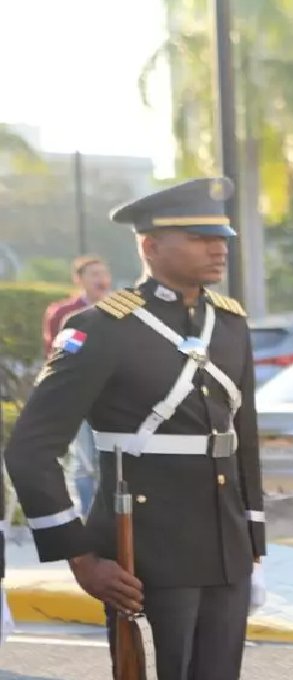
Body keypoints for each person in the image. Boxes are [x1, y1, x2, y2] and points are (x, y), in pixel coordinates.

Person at [4, 177, 266, 680]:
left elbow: (243, 439)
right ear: (149, 245)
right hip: (144, 548)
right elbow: (30, 450)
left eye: (221, 238)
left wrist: (252, 542)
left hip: (225, 546)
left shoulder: (230, 323)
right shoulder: (101, 328)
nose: (217, 249)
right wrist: (79, 555)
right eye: (198, 238)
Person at [42, 255, 112, 516]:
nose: (100, 279)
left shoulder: (121, 311)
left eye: (103, 273)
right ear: (79, 280)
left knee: (110, 461)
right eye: (93, 274)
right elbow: (57, 355)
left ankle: (112, 518)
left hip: (115, 397)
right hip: (81, 398)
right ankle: (88, 516)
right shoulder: (64, 314)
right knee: (84, 463)